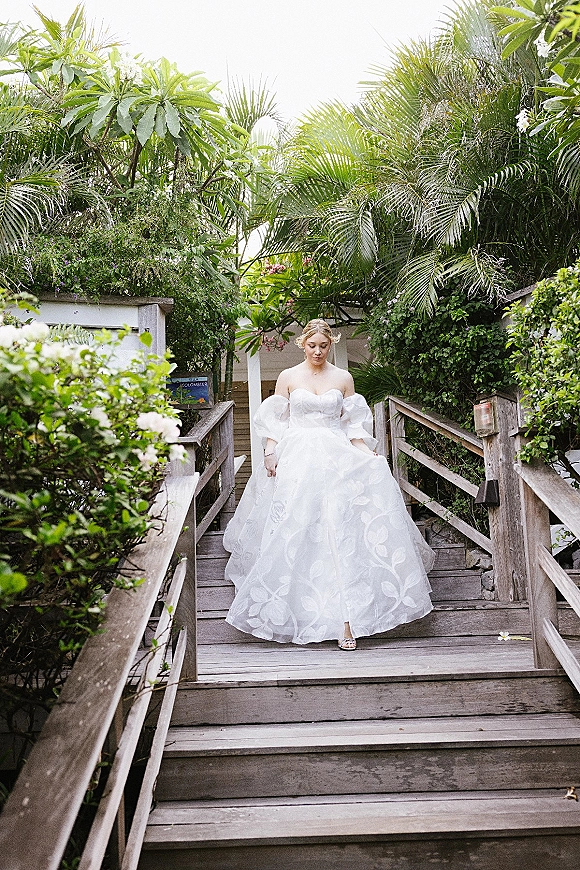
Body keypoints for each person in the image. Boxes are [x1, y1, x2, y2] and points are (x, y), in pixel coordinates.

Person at [223, 319, 434, 650]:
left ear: (330, 344)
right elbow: (275, 422)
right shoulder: (288, 377)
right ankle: (299, 611)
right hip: (298, 457)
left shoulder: (343, 378)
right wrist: (269, 452)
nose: (318, 351)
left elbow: (353, 426)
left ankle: (347, 620)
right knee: (300, 525)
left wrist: (369, 456)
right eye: (312, 345)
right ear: (302, 344)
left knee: (341, 530)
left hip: (337, 456)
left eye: (323, 345)